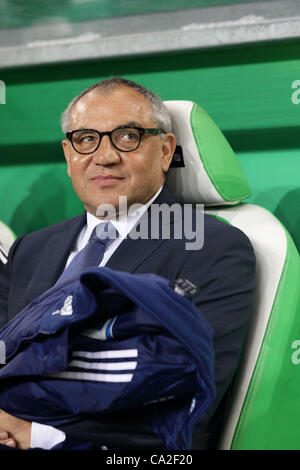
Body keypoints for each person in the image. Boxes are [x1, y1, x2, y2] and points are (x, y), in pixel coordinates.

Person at [0, 77, 256, 450]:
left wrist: (31, 433)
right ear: (69, 155)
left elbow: (181, 401)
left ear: (166, 151)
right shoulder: (31, 248)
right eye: (86, 139)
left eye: (128, 136)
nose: (104, 156)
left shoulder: (212, 248)